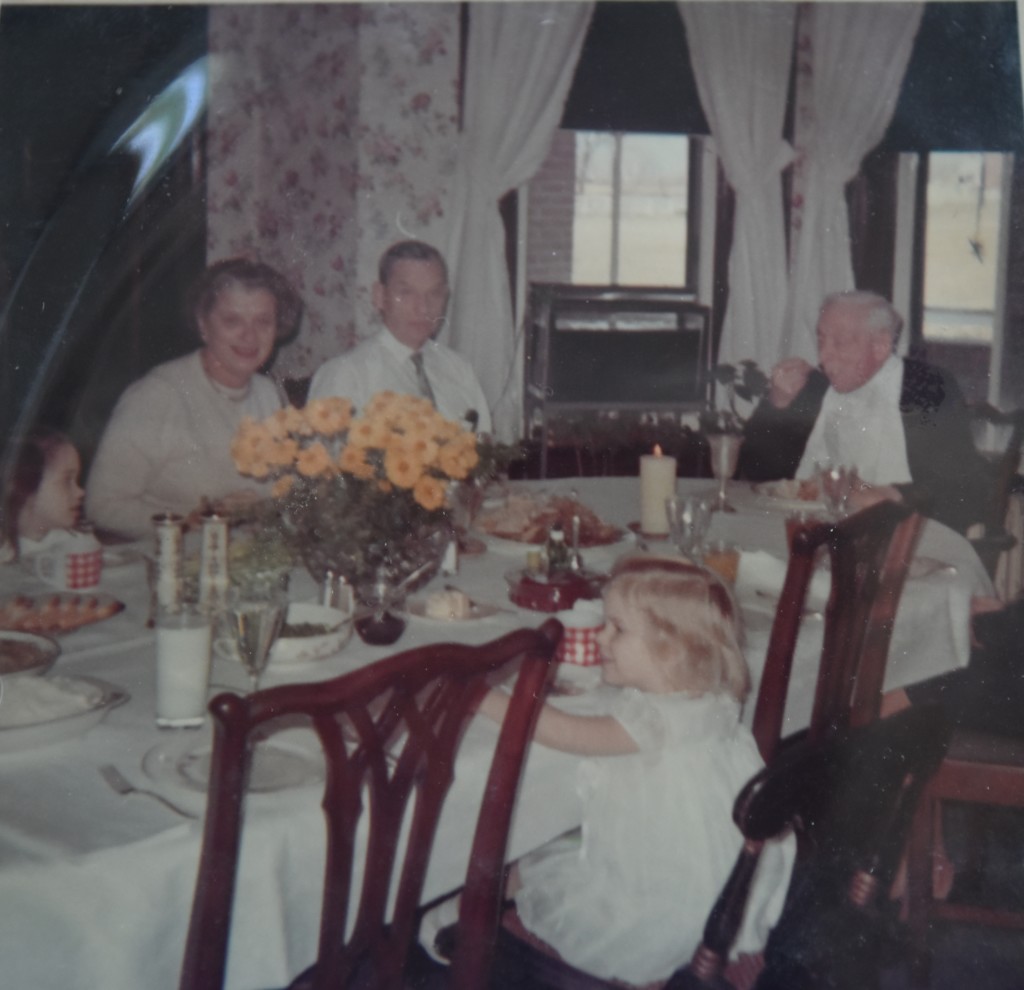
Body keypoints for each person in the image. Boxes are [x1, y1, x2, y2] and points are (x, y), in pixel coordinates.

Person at [471, 556, 794, 986]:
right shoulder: (708, 700)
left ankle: (458, 923)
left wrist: (480, 697)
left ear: (671, 648)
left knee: (536, 871)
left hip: (659, 891)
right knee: (538, 861)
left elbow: (562, 731)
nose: (600, 636)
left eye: (616, 628)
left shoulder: (655, 722)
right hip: (716, 878)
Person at [739, 291, 990, 533]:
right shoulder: (816, 387)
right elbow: (754, 470)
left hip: (905, 542)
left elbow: (963, 489)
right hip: (815, 532)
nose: (824, 356)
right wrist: (778, 403)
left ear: (880, 346)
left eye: (839, 342)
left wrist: (892, 496)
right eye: (821, 340)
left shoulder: (927, 387)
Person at [85, 258, 302, 538]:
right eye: (232, 320)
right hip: (171, 563)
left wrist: (263, 508)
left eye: (263, 321)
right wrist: (190, 523)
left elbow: (286, 489)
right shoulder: (157, 395)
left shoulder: (268, 393)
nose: (250, 336)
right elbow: (102, 506)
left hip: (248, 560)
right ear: (203, 324)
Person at [308, 240, 492, 432]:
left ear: (446, 297)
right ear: (379, 296)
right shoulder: (346, 375)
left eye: (434, 294)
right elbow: (325, 457)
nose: (423, 308)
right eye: (406, 293)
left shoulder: (460, 370)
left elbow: (486, 449)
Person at [2, 428, 85, 560]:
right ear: (26, 486)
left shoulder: (74, 543)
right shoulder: (4, 554)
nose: (80, 492)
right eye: (66, 481)